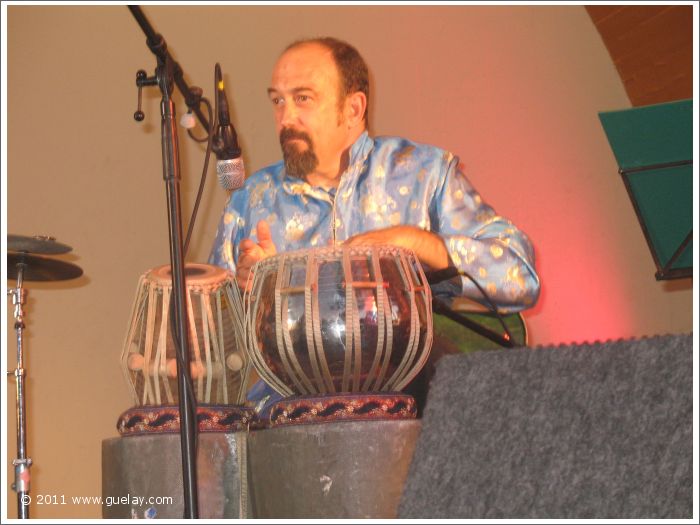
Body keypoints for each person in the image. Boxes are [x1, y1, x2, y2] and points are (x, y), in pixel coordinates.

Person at [209, 37, 540, 413]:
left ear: (353, 108)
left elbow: (521, 277)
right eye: (278, 101)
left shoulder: (424, 174)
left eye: (303, 99)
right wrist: (250, 294)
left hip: (415, 408)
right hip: (292, 420)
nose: (286, 118)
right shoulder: (252, 200)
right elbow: (213, 349)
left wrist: (416, 243)